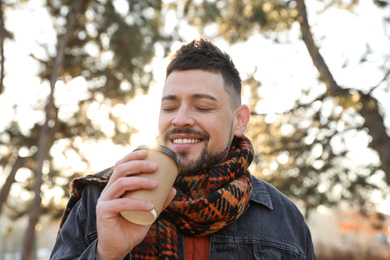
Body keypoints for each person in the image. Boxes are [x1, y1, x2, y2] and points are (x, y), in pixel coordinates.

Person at [50, 38, 316, 260]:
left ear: (240, 120)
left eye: (202, 107)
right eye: (169, 107)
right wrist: (105, 253)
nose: (180, 119)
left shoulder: (284, 218)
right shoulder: (102, 198)